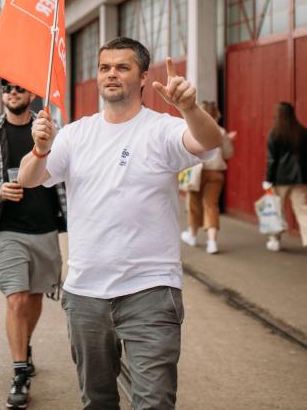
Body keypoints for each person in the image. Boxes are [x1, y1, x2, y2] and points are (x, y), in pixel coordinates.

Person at [19, 37, 221, 409]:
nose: (111, 74)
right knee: (97, 400)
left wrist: (190, 108)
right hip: (86, 294)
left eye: (122, 67)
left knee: (154, 400)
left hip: (151, 291)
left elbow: (208, 142)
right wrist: (40, 149)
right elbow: (29, 178)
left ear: (143, 77)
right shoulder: (77, 134)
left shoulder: (161, 129)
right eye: (104, 67)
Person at [0, 80, 66, 409]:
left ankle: (25, 344)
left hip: (45, 227)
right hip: (6, 228)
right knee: (17, 299)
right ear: (2, 95)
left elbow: (69, 171)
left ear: (30, 94)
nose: (13, 93)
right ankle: (19, 372)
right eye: (7, 88)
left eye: (19, 88)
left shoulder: (53, 129)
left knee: (35, 297)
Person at [180, 101, 237, 254]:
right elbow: (228, 154)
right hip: (216, 173)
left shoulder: (192, 130)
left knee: (193, 203)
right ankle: (212, 242)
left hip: (197, 173)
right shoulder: (222, 132)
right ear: (216, 114)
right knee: (211, 205)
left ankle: (192, 235)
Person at [263, 102, 307, 251]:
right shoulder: (302, 132)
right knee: (303, 210)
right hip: (301, 178)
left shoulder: (274, 133)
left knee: (276, 209)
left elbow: (272, 160)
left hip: (280, 179)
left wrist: (268, 179)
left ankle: (274, 240)